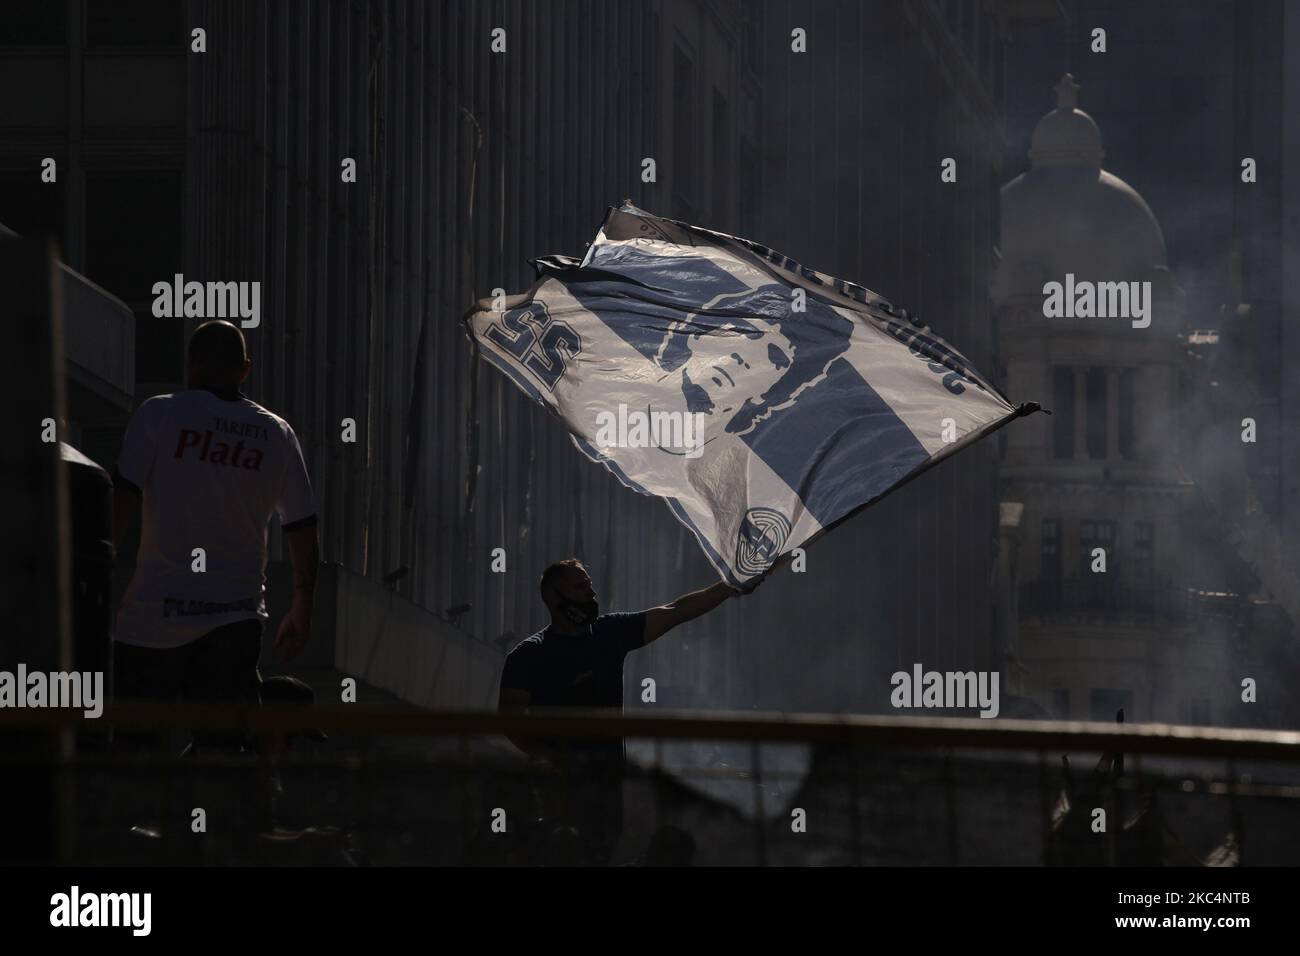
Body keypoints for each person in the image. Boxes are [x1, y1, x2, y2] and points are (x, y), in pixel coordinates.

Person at [111, 319, 320, 836]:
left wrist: (99, 567)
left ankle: (130, 843)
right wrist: (302, 605)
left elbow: (122, 498)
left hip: (151, 617)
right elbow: (301, 525)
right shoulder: (275, 432)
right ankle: (216, 845)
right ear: (245, 369)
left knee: (135, 745)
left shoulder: (160, 414)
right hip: (233, 616)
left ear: (191, 365)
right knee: (223, 750)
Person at [497, 558, 741, 863]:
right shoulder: (529, 655)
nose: (591, 593)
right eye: (580, 586)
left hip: (606, 787)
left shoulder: (608, 634)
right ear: (554, 597)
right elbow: (510, 720)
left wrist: (730, 586)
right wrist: (549, 756)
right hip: (558, 789)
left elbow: (676, 612)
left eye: (589, 584)